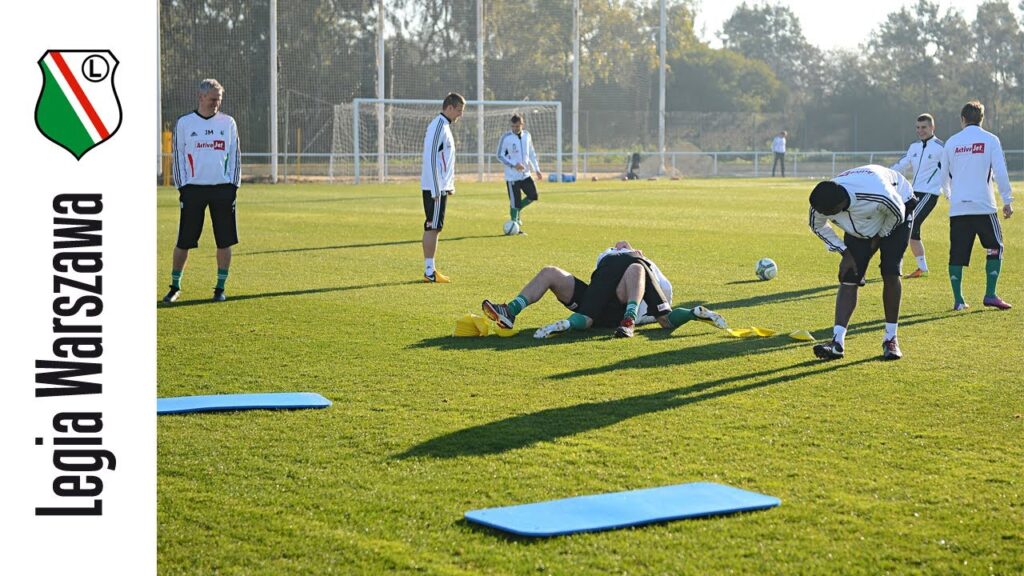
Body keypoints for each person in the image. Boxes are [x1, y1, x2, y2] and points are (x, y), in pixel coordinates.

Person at [481, 241, 728, 339]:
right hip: (597, 297)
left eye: (627, 245)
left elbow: (663, 309)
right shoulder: (611, 256)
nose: (622, 243)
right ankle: (510, 310)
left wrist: (639, 311)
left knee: (635, 270)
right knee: (550, 272)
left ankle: (628, 321)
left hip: (619, 309)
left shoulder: (643, 265)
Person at [808, 165, 917, 361]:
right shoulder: (822, 201)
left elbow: (897, 215)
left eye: (829, 213)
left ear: (840, 205)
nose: (825, 215)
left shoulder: (879, 195)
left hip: (898, 207)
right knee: (850, 276)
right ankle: (837, 343)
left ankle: (890, 339)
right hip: (862, 222)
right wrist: (845, 253)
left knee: (890, 270)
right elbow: (817, 225)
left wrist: (877, 240)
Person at [163, 78, 241, 304]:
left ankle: (220, 287)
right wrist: (183, 187)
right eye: (213, 99)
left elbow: (235, 155)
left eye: (219, 100)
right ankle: (175, 286)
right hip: (193, 191)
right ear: (201, 97)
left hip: (223, 190)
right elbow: (178, 156)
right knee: (184, 240)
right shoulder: (185, 123)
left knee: (224, 241)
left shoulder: (228, 123)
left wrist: (233, 186)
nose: (217, 103)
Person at [939, 101, 1014, 311]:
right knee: (995, 247)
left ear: (962, 119)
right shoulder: (990, 139)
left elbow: (943, 174)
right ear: (982, 119)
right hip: (984, 206)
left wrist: (950, 195)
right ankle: (990, 294)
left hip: (959, 208)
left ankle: (959, 300)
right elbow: (1000, 171)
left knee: (957, 253)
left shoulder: (952, 142)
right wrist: (1007, 200)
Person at [890, 113, 949, 278]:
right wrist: (885, 174)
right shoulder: (914, 147)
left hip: (929, 193)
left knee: (911, 224)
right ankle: (921, 269)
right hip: (913, 192)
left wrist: (950, 192)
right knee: (907, 227)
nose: (920, 131)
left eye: (924, 127)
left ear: (932, 127)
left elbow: (950, 171)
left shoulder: (941, 148)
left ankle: (896, 263)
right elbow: (902, 164)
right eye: (917, 127)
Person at [420, 92, 465, 283]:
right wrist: (437, 188)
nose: (460, 115)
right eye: (459, 110)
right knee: (433, 227)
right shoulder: (438, 125)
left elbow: (444, 160)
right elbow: (430, 158)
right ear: (450, 107)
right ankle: (430, 271)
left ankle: (430, 270)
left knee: (434, 227)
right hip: (434, 188)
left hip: (439, 186)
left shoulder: (444, 126)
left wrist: (448, 185)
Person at [496, 114, 542, 233]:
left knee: (533, 196)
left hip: (526, 175)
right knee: (515, 202)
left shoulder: (527, 136)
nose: (515, 128)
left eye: (517, 126)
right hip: (512, 177)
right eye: (513, 126)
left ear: (522, 125)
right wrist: (514, 164)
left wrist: (537, 169)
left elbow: (531, 153)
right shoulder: (506, 138)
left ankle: (516, 211)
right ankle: (515, 226)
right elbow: (499, 155)